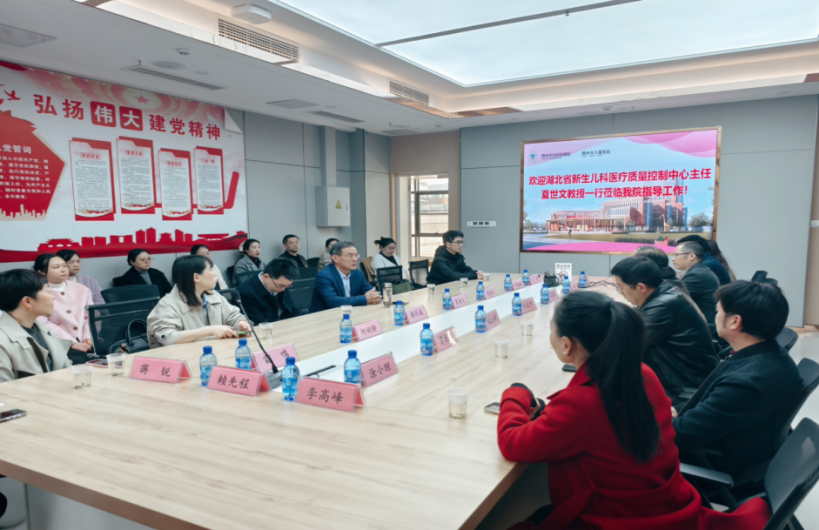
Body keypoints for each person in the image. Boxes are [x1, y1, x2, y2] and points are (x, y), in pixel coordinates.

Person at [496, 290, 769, 529]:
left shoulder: (582, 402)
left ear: (567, 345)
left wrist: (515, 394)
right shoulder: (642, 372)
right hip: (663, 505)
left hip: (617, 518)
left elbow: (512, 444)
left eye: (552, 332)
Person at [673, 281, 801, 476]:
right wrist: (675, 411)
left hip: (714, 463)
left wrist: (660, 416)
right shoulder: (769, 353)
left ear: (735, 321)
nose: (715, 316)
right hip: (738, 443)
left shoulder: (748, 384)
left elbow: (684, 434)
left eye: (718, 311)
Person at [611, 257, 718, 405]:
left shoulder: (662, 305)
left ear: (641, 287)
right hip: (684, 374)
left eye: (621, 288)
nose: (621, 294)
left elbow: (627, 345)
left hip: (686, 384)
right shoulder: (665, 292)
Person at [147, 255, 250, 349]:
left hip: (214, 352)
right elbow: (168, 337)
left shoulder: (214, 296)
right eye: (210, 269)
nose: (215, 273)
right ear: (196, 277)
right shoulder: (167, 304)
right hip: (183, 357)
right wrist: (210, 330)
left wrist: (240, 323)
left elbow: (233, 316)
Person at [0, 270, 73, 382]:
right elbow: (4, 389)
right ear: (28, 301)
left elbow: (68, 370)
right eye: (48, 292)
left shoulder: (43, 329)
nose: (53, 297)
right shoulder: (2, 341)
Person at [33, 254, 94, 359]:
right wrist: (71, 342)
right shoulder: (36, 293)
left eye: (64, 266)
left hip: (87, 340)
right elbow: (42, 322)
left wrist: (88, 336)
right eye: (56, 267)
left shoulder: (82, 289)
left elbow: (90, 315)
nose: (63, 270)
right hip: (57, 342)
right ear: (41, 272)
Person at [309, 242, 382, 312]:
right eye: (350, 256)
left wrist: (376, 296)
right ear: (335, 258)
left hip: (350, 312)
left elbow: (372, 292)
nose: (355, 259)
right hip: (325, 316)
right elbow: (333, 301)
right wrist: (365, 299)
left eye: (356, 255)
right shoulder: (324, 276)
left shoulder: (357, 273)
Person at [672, 241, 720, 335]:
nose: (673, 259)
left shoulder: (696, 275)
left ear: (692, 256)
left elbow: (674, 299)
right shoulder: (699, 271)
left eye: (676, 255)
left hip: (705, 329)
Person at [236, 258, 299, 325]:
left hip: (287, 325)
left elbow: (292, 310)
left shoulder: (281, 284)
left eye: (287, 286)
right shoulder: (245, 293)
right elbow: (258, 323)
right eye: (281, 286)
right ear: (266, 277)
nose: (283, 289)